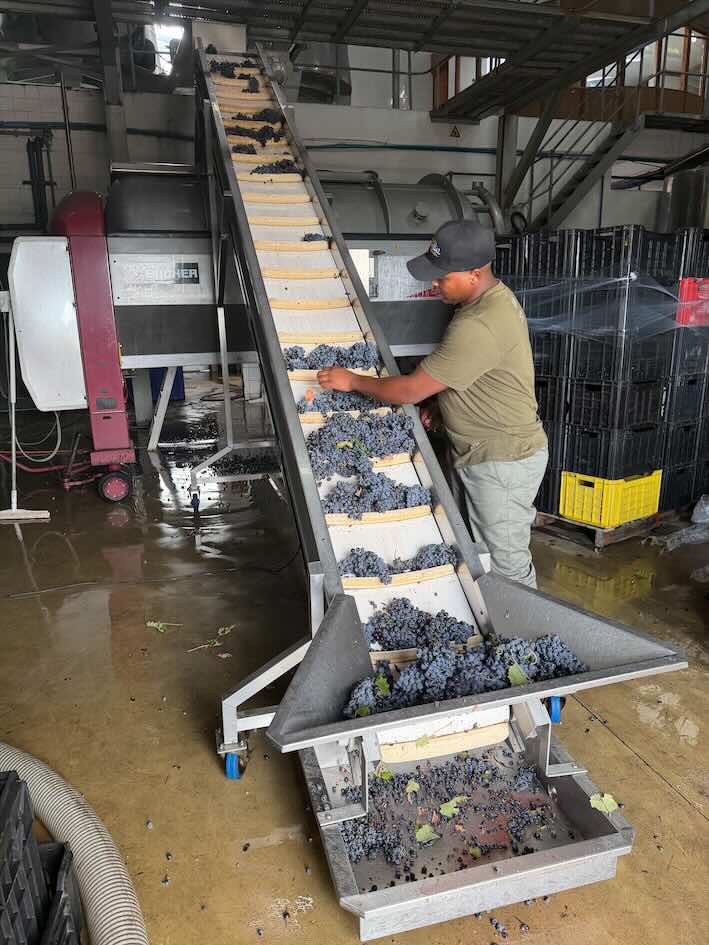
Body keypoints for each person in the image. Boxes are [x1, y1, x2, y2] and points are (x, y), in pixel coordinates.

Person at [316, 219, 548, 588]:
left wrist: (353, 380)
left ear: (475, 273)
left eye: (442, 277)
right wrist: (445, 407)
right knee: (471, 550)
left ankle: (521, 636)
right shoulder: (488, 300)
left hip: (501, 461)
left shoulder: (479, 323)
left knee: (507, 571)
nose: (433, 283)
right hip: (480, 450)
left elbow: (409, 391)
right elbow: (479, 371)